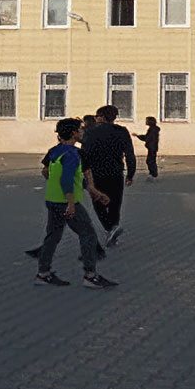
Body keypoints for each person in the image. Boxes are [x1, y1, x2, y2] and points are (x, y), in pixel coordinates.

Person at [33, 117, 118, 289]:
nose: (82, 132)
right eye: (80, 130)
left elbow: (65, 175)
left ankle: (43, 273)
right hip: (66, 201)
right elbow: (66, 179)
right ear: (73, 133)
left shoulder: (55, 151)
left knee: (52, 236)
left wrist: (94, 192)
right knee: (88, 234)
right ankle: (90, 276)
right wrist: (71, 203)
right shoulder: (72, 153)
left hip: (53, 200)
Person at [80, 105, 137, 245]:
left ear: (102, 117)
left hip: (96, 173)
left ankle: (109, 228)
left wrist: (84, 172)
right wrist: (130, 174)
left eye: (97, 116)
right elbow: (129, 154)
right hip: (116, 172)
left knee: (98, 202)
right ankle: (113, 229)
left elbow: (84, 154)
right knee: (115, 204)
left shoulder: (90, 132)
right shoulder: (122, 131)